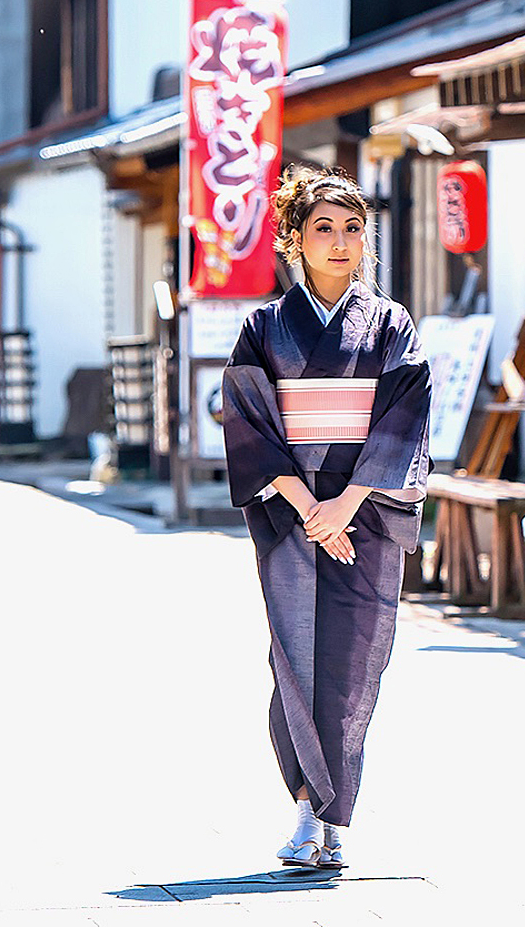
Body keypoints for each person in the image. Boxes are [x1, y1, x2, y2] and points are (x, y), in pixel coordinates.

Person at [221, 167, 431, 870]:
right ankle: (308, 812)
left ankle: (332, 816)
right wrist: (310, 503)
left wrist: (347, 501)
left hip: (366, 511)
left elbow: (405, 408)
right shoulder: (264, 328)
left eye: (353, 229)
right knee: (294, 658)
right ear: (293, 241)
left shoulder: (390, 323)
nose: (341, 243)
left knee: (353, 660)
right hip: (290, 512)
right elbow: (249, 417)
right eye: (324, 229)